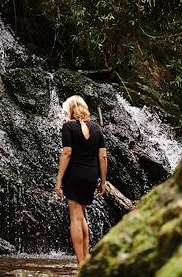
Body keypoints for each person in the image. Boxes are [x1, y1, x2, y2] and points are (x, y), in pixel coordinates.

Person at [55, 95, 108, 266]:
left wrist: (59, 180)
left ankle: (80, 264)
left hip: (75, 175)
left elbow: (67, 153)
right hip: (91, 176)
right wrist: (103, 182)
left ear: (70, 110)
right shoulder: (97, 128)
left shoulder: (68, 127)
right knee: (82, 215)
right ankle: (86, 259)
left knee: (75, 218)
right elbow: (103, 156)